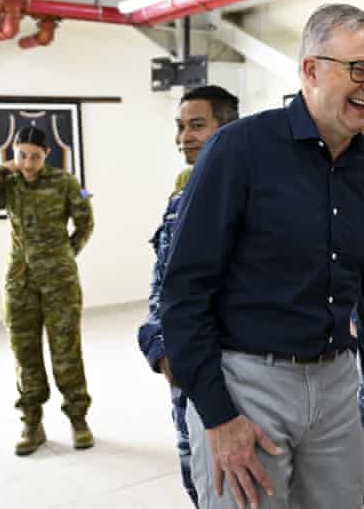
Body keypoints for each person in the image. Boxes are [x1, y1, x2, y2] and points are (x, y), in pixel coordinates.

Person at [159, 3, 364, 509]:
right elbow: (183, 293)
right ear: (311, 69)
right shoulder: (239, 151)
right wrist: (218, 416)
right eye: (359, 69)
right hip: (247, 386)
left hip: (337, 389)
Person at [137, 85, 239, 506]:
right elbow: (163, 282)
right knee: (196, 478)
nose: (185, 137)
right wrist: (158, 345)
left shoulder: (250, 197)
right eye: (180, 127)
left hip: (230, 372)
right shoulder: (181, 196)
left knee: (232, 483)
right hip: (183, 367)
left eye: (197, 126)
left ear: (228, 128)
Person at [0, 125, 95, 456]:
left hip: (60, 282)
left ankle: (78, 419)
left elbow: (85, 221)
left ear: (46, 155)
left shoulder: (65, 182)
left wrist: (66, 254)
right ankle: (32, 422)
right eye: (21, 156)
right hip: (20, 282)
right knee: (24, 353)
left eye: (34, 156)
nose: (28, 163)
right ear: (13, 155)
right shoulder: (9, 183)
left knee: (66, 352)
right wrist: (1, 171)